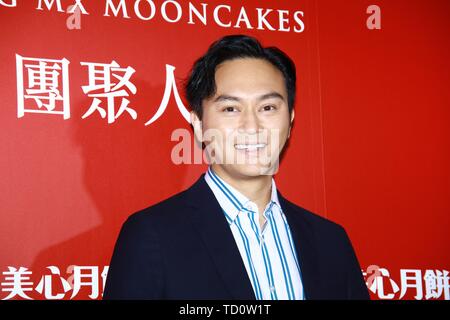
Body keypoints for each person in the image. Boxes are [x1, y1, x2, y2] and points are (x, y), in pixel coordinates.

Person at [103, 34, 370, 300]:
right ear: (198, 123)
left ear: (290, 120)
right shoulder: (152, 235)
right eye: (231, 109)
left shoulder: (330, 241)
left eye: (267, 107)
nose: (252, 127)